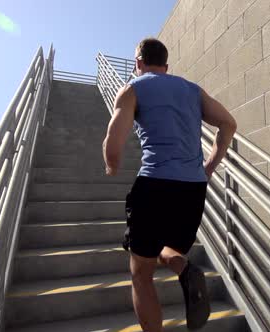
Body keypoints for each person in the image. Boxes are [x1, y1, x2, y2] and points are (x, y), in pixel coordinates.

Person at [102, 37, 237, 332]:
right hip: (192, 190)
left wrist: (112, 166)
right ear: (166, 65)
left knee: (140, 274)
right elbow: (229, 123)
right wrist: (209, 167)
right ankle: (185, 268)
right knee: (168, 248)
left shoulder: (133, 89)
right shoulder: (192, 90)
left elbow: (114, 142)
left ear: (138, 62)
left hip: (155, 186)